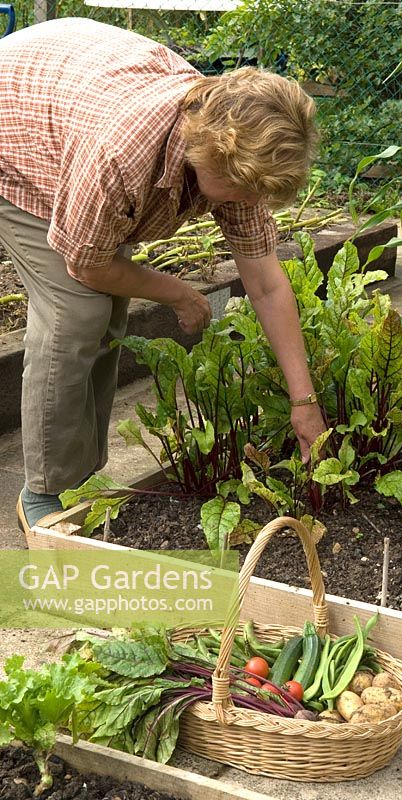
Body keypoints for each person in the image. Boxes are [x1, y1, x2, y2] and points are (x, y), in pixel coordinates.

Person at [0, 17, 326, 533]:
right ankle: (41, 491)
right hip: (15, 131)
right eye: (245, 190)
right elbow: (85, 263)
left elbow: (266, 283)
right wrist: (180, 293)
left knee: (109, 306)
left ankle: (75, 474)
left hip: (68, 94)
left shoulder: (234, 154)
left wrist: (303, 402)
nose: (252, 203)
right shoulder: (120, 154)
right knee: (77, 310)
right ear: (209, 155)